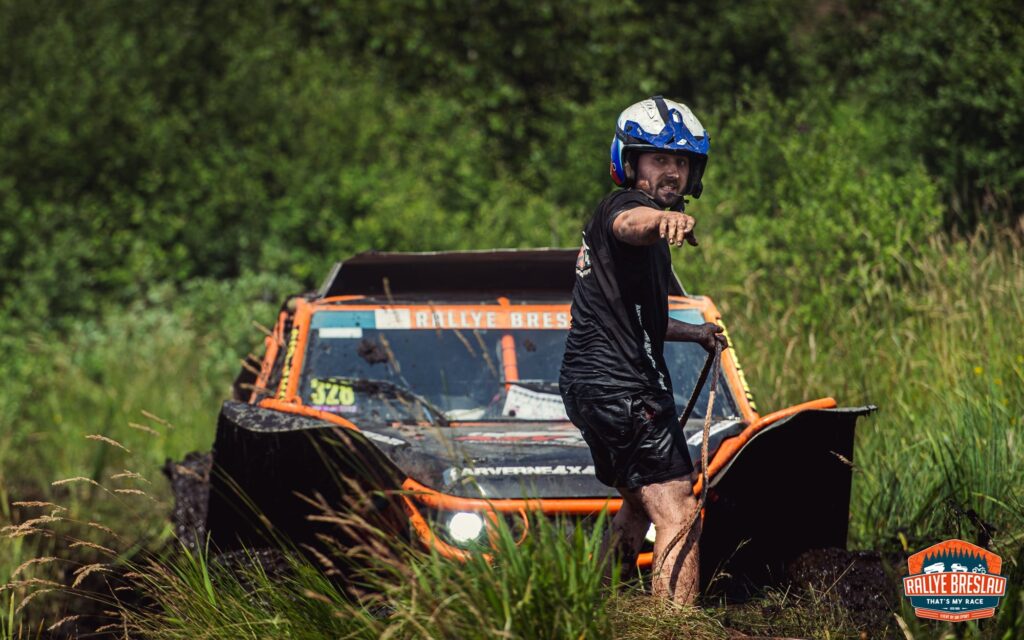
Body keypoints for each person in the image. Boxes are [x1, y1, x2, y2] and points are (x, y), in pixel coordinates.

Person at [559, 96, 726, 604]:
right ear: (630, 164)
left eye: (680, 162)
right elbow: (632, 223)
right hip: (623, 389)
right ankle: (674, 631)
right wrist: (662, 222)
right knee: (678, 508)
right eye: (659, 160)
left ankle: (598, 609)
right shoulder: (626, 210)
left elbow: (636, 321)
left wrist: (693, 332)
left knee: (637, 504)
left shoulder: (637, 238)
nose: (671, 171)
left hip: (593, 385)